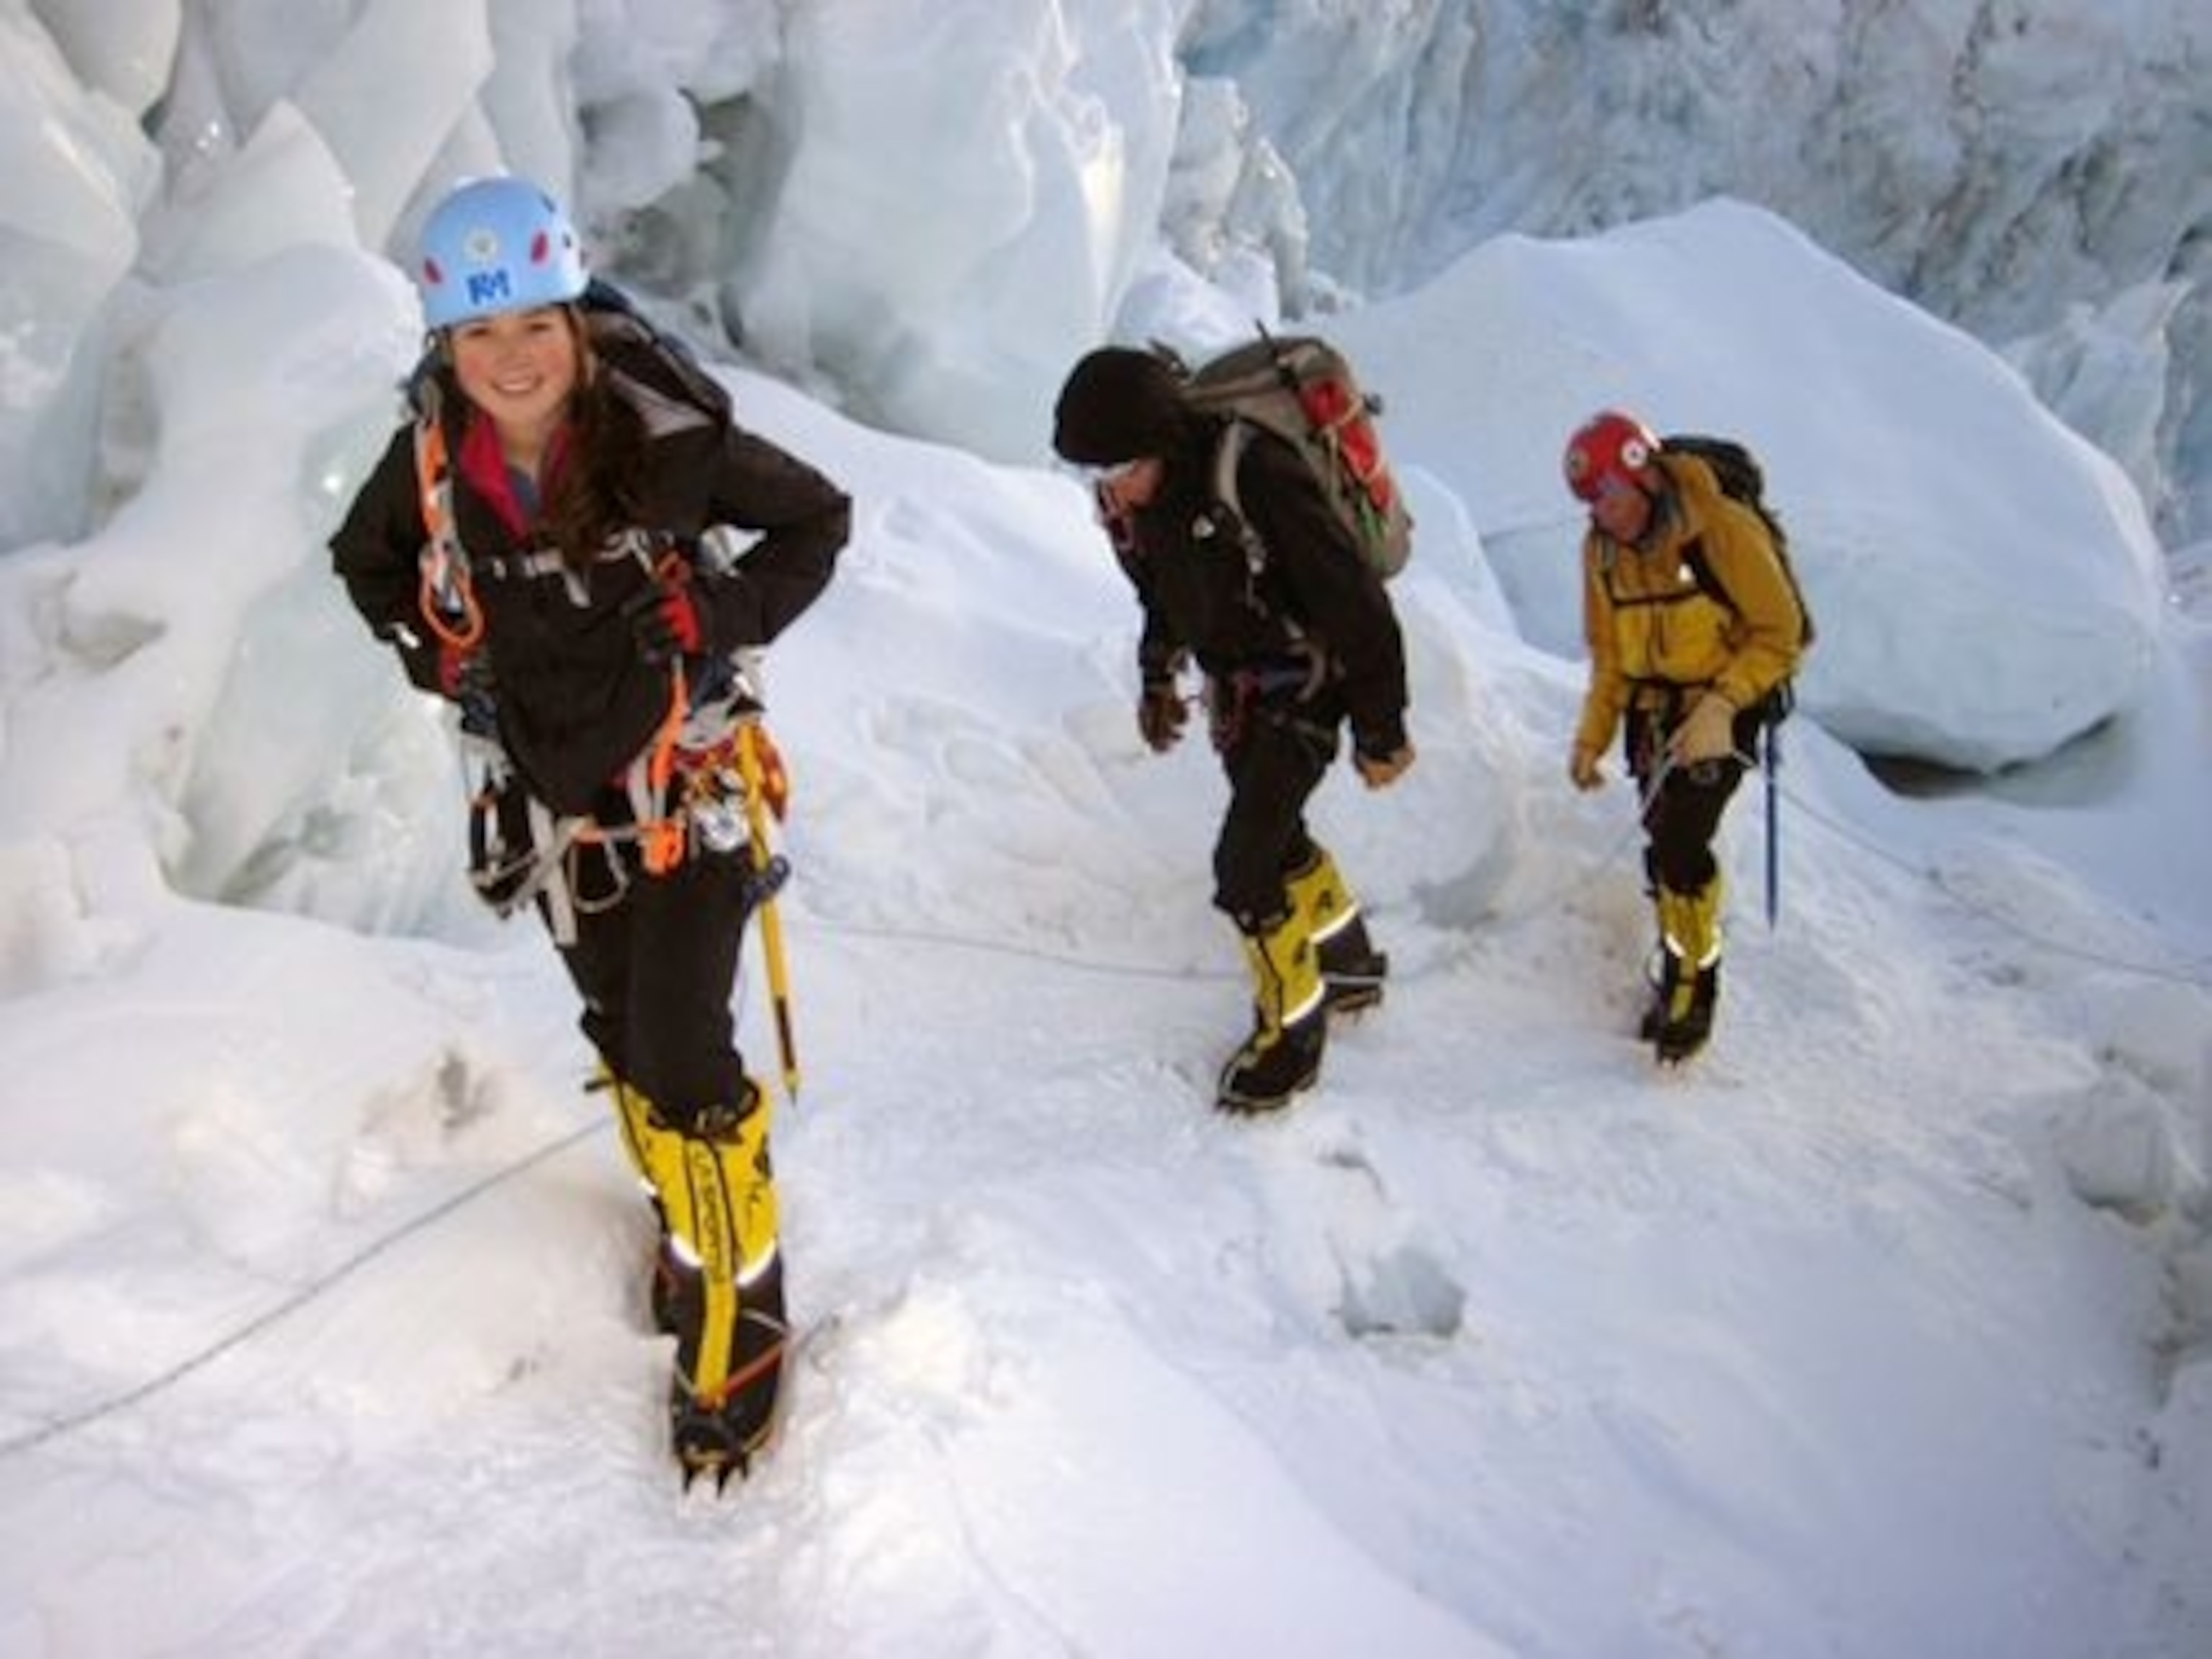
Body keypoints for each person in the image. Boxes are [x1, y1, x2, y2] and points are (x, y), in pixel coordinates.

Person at [329, 176, 850, 1483]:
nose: (511, 360)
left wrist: (719, 621)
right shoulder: (435, 457)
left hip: (687, 785)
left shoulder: (662, 433)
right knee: (621, 1036)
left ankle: (744, 1286)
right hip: (557, 809)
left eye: (534, 328)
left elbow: (814, 515)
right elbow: (369, 562)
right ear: (447, 346)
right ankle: (687, 1230)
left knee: (680, 1046)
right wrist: (445, 661)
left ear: (574, 321)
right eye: (480, 336)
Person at [1051, 346, 1416, 1114]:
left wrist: (1382, 726)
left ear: (1163, 439)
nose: (1114, 490)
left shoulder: (1253, 471)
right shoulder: (1144, 504)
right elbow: (1167, 593)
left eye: (1123, 467)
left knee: (1244, 868)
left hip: (1311, 682)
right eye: (1102, 475)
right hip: (1242, 688)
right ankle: (1348, 959)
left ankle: (1293, 1033)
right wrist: (1158, 673)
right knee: (1275, 839)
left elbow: (1354, 599)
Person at [1563, 409, 1806, 1063]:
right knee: (1662, 836)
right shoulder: (1603, 551)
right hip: (1652, 708)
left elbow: (1781, 634)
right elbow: (1610, 655)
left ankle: (1695, 983)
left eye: (1607, 495)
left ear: (1641, 476)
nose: (1600, 513)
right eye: (1589, 501)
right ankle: (1678, 955)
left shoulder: (1720, 527)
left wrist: (1723, 706)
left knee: (1681, 838)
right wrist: (1593, 737)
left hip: (1727, 698)